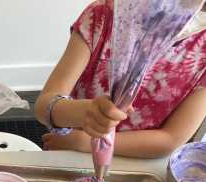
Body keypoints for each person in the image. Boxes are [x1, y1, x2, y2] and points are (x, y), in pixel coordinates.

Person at [35, 0, 206, 159]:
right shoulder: (102, 16)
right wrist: (83, 113)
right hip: (68, 147)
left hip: (135, 159)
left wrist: (84, 142)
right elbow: (44, 106)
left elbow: (171, 139)